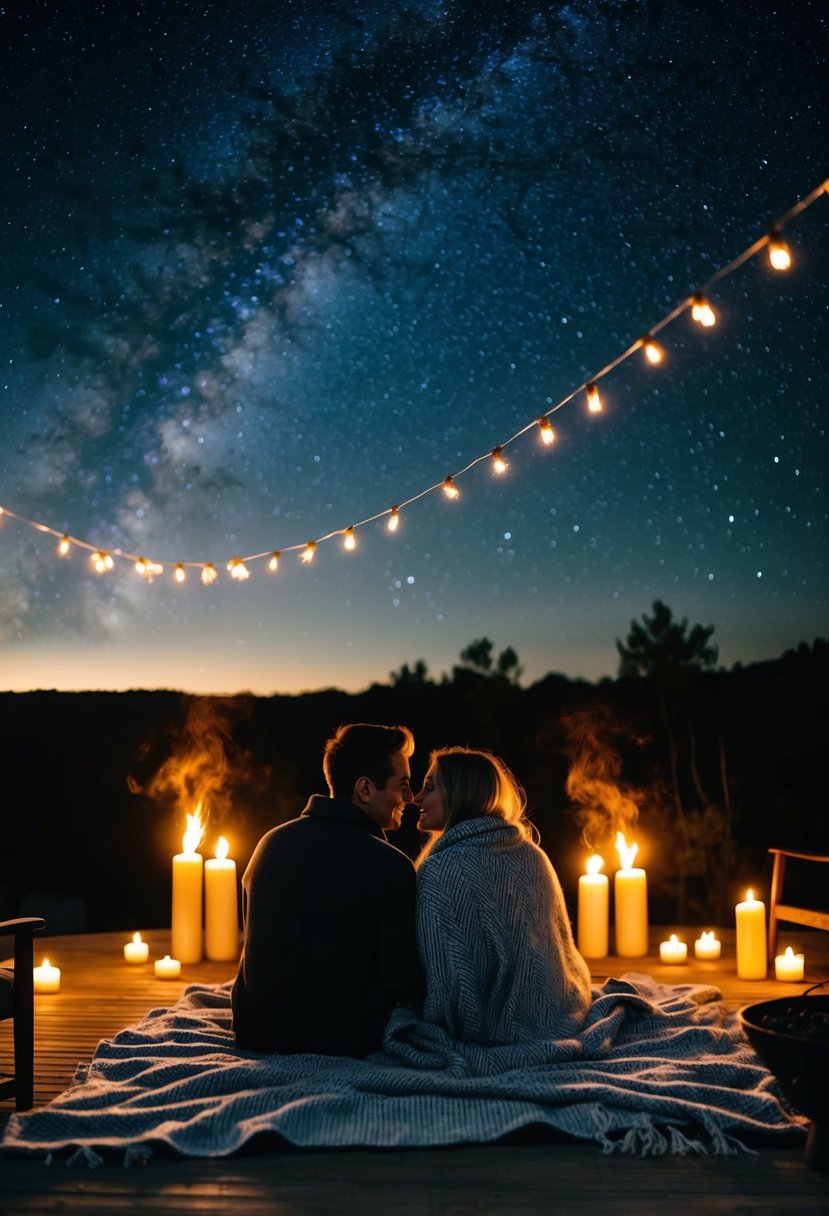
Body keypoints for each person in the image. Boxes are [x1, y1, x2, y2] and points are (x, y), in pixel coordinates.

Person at [387, 746, 592, 1066]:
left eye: (430, 787)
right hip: (561, 1012)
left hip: (487, 1033)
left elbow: (447, 992)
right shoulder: (534, 854)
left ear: (461, 795)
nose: (416, 799)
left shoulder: (439, 870)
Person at [232, 723, 422, 1057]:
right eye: (402, 785)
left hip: (255, 1032)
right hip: (342, 1041)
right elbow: (403, 981)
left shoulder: (269, 843)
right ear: (365, 789)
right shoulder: (390, 866)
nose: (409, 798)